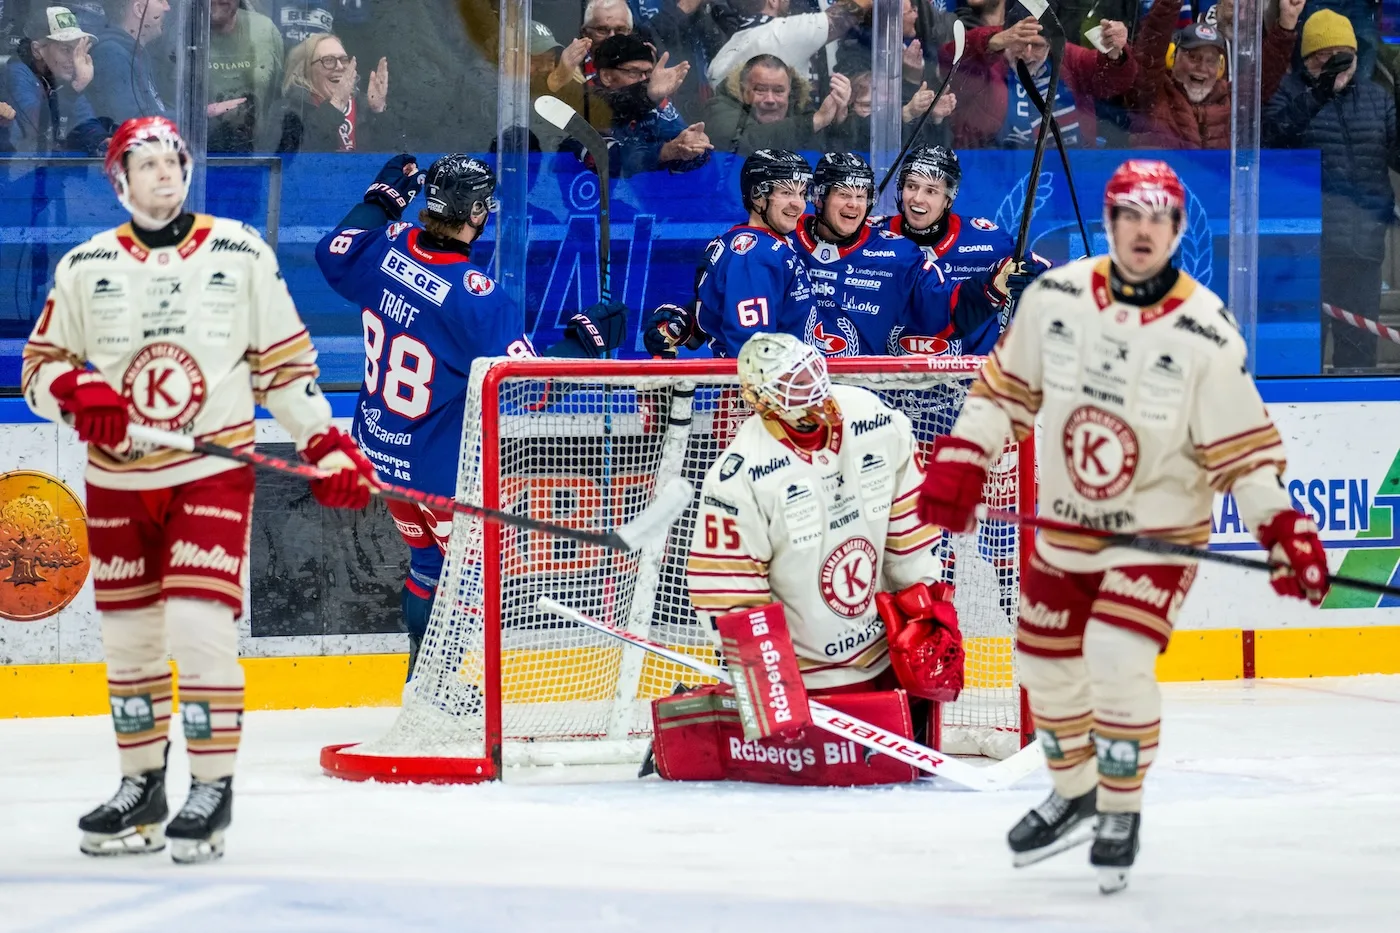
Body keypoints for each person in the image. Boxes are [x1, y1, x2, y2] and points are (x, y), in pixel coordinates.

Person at [915, 160, 1329, 893]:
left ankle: (1120, 807)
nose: (1143, 232)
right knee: (1042, 659)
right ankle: (1074, 788)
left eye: (1159, 219)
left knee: (1114, 652)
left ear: (1176, 229)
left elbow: (1244, 454)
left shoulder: (1206, 329)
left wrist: (1282, 526)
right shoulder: (1058, 299)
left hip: (1160, 529)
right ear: (1108, 223)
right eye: (1129, 217)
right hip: (1071, 524)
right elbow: (1002, 392)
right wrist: (964, 458)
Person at [21, 116, 377, 864]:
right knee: (130, 642)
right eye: (144, 164)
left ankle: (211, 788)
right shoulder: (86, 267)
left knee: (198, 624)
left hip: (207, 471)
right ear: (118, 181)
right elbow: (40, 369)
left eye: (172, 160)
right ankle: (141, 784)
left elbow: (283, 368)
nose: (162, 174)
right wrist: (78, 391)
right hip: (119, 479)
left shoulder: (240, 252)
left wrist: (325, 441)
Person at [316, 154, 628, 677]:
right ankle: (439, 688)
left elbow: (332, 253)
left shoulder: (386, 244)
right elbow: (526, 391)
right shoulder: (477, 298)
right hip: (441, 473)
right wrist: (584, 341)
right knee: (468, 578)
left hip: (379, 452)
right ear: (478, 213)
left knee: (426, 565)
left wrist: (377, 202)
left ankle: (421, 681)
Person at [658, 331, 961, 785]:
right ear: (764, 401)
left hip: (883, 662)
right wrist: (771, 687)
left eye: (812, 377)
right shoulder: (739, 475)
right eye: (796, 387)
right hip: (810, 688)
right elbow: (729, 592)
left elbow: (909, 523)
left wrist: (924, 604)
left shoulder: (872, 417)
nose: (817, 396)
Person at [1264, 10, 1399, 371]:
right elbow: (1273, 139)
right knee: (1298, 354)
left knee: (1359, 354)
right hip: (1305, 252)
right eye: (1323, 56)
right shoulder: (1285, 91)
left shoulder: (1378, 99)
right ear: (1307, 58)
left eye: (1343, 55)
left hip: (1363, 249)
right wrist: (1318, 93)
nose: (1335, 64)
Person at [790, 152, 1014, 358]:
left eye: (861, 196)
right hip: (790, 388)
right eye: (843, 194)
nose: (853, 204)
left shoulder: (898, 252)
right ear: (819, 197)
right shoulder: (785, 238)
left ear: (949, 198)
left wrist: (992, 289)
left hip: (864, 392)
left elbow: (942, 303)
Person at [643, 148, 818, 359]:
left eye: (801, 193)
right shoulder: (753, 255)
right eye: (786, 192)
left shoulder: (760, 243)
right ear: (758, 196)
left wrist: (686, 318)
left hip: (786, 383)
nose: (798, 204)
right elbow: (753, 350)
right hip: (764, 388)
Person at [875, 146, 1046, 354]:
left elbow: (1042, 277)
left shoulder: (988, 240)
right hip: (889, 380)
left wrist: (1030, 281)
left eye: (931, 190)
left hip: (968, 381)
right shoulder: (874, 236)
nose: (918, 198)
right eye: (911, 186)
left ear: (949, 198)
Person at [1128, 0, 1299, 149]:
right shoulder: (1154, 92)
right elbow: (1151, 44)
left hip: (1216, 186)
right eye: (1193, 57)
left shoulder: (1229, 99)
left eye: (1211, 61)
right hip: (1160, 184)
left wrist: (1287, 23)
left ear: (1221, 67)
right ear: (1173, 58)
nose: (1202, 67)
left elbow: (1264, 77)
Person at [949, 12, 1135, 149]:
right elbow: (948, 59)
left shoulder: (1068, 57)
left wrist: (1115, 54)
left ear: (1051, 45)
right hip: (997, 167)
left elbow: (1112, 83)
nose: (1028, 54)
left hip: (1068, 165)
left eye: (1037, 45)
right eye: (1021, 42)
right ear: (1007, 36)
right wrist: (992, 42)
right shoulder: (990, 58)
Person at [580, 33, 712, 176]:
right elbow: (609, 162)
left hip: (649, 196)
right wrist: (665, 152)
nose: (644, 80)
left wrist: (694, 147)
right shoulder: (581, 105)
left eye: (648, 73)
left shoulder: (654, 100)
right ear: (607, 76)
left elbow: (680, 139)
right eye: (634, 72)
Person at [261, 32, 388, 153]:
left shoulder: (364, 107)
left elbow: (396, 159)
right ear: (305, 71)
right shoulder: (286, 111)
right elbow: (289, 162)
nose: (339, 66)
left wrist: (378, 111)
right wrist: (334, 107)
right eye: (328, 60)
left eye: (344, 60)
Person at [704, 53, 848, 155]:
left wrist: (837, 124)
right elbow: (744, 142)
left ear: (790, 93)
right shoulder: (720, 107)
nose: (770, 100)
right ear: (743, 91)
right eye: (760, 90)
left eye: (779, 91)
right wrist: (816, 121)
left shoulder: (799, 107)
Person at [5, 5, 104, 154]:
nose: (74, 59)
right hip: (18, 168)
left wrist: (102, 140)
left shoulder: (60, 76)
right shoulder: (17, 72)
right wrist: (75, 87)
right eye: (66, 50)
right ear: (37, 50)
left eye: (77, 50)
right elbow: (35, 125)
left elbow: (84, 119)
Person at [207, 0, 285, 153]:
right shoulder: (177, 35)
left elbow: (277, 98)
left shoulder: (265, 31)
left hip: (257, 153)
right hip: (195, 155)